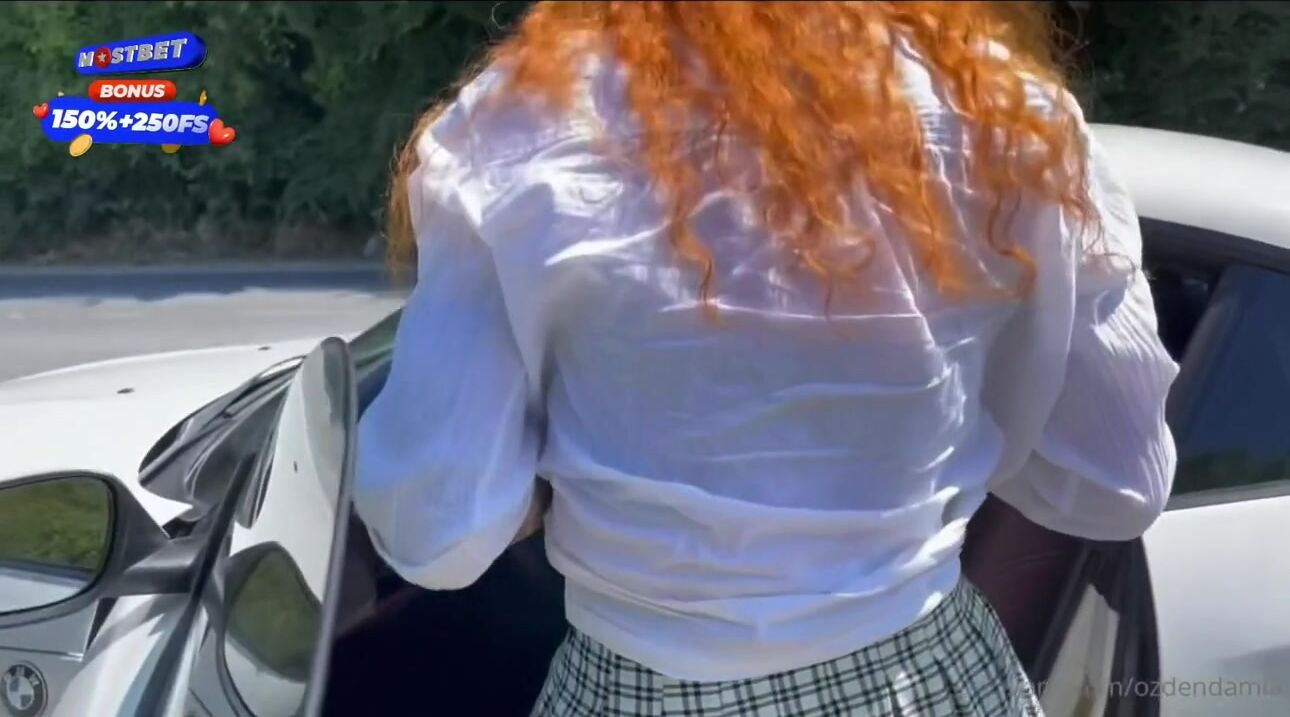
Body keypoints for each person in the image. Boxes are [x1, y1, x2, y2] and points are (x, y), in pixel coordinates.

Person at [352, 2, 1179, 714]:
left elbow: (437, 532)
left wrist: (555, 474)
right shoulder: (1002, 113)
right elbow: (1117, 483)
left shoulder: (518, 128)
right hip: (931, 682)